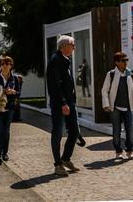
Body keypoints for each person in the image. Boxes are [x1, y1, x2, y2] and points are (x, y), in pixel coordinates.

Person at [46, 35, 80, 176]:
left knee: (74, 131)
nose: (74, 48)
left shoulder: (65, 60)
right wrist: (63, 103)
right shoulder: (55, 61)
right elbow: (54, 86)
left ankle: (65, 158)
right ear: (64, 46)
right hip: (59, 104)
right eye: (72, 45)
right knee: (58, 133)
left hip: (69, 103)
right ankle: (57, 165)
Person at [101, 52, 133, 160]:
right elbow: (105, 90)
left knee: (130, 130)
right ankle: (118, 151)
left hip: (128, 106)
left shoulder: (130, 72)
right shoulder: (111, 74)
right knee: (116, 130)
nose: (125, 62)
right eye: (123, 60)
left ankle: (129, 150)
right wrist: (106, 104)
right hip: (115, 107)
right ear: (117, 62)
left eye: (127, 60)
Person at [0, 56, 20, 165]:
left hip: (9, 107)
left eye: (7, 63)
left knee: (6, 131)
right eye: (2, 64)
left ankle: (5, 153)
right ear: (0, 66)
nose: (5, 66)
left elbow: (19, 93)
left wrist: (13, 92)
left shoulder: (14, 78)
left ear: (11, 65)